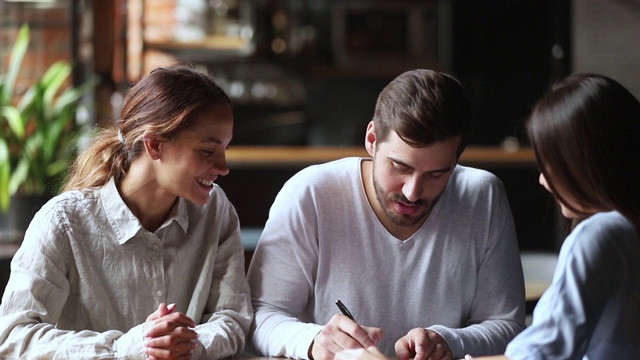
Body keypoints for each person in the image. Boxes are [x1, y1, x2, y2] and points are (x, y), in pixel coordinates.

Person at [342, 73, 640, 360]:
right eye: (400, 166)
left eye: (551, 164)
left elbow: (542, 353)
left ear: (587, 164)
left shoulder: (600, 234)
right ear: (372, 140)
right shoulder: (624, 230)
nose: (544, 181)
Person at [247, 69, 526, 360]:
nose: (412, 192)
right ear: (371, 139)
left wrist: (449, 341)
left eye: (436, 174)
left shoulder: (483, 197)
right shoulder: (310, 194)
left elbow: (508, 326)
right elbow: (260, 315)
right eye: (400, 167)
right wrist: (315, 341)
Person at [0, 64, 253, 359]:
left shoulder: (216, 211)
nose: (223, 167)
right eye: (208, 151)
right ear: (155, 145)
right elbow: (13, 337)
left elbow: (232, 317)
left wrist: (187, 345)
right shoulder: (63, 221)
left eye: (225, 149)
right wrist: (125, 349)